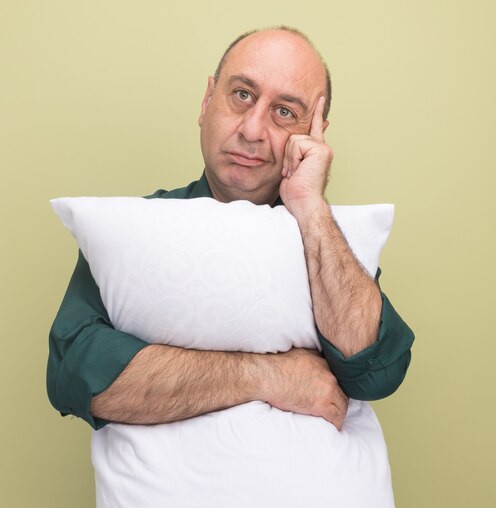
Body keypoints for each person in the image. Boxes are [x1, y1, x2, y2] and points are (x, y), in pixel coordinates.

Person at [47, 26, 414, 432]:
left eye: (285, 112)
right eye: (242, 95)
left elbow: (376, 371)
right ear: (206, 101)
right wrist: (267, 376)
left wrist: (311, 208)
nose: (252, 130)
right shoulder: (137, 228)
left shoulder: (326, 242)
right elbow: (76, 373)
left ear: (314, 132)